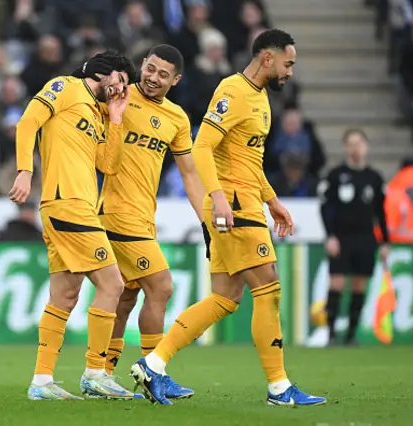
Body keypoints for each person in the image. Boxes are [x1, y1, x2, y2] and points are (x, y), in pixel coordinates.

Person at [130, 29, 326, 407]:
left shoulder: (262, 99)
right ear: (267, 58)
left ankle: (154, 364)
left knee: (225, 297)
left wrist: (272, 201)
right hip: (233, 204)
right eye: (288, 64)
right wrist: (218, 198)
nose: (290, 72)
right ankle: (279, 388)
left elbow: (250, 159)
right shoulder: (232, 91)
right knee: (268, 288)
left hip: (246, 200)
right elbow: (202, 145)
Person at [74, 44, 204, 400]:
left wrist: (206, 219)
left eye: (164, 74)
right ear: (141, 66)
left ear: (175, 80)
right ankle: (153, 370)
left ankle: (101, 374)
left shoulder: (177, 119)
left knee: (127, 298)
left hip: (144, 218)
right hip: (115, 213)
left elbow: (189, 173)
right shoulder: (120, 96)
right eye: (150, 68)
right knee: (161, 287)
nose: (153, 78)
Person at [9, 50, 138, 401]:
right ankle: (96, 373)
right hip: (67, 205)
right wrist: (25, 169)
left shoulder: (98, 113)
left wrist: (115, 118)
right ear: (105, 74)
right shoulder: (64, 87)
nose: (124, 88)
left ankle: (41, 381)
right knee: (114, 284)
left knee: (64, 296)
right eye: (121, 81)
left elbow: (108, 165)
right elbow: (27, 123)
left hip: (76, 208)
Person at [318, 129, 390, 346]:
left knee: (360, 285)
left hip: (366, 238)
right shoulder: (335, 175)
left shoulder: (374, 178)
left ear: (366, 146)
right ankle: (330, 334)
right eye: (351, 144)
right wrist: (329, 236)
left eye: (359, 143)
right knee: (337, 283)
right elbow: (324, 208)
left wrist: (385, 241)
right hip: (341, 237)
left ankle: (351, 335)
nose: (355, 148)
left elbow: (381, 213)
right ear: (345, 147)